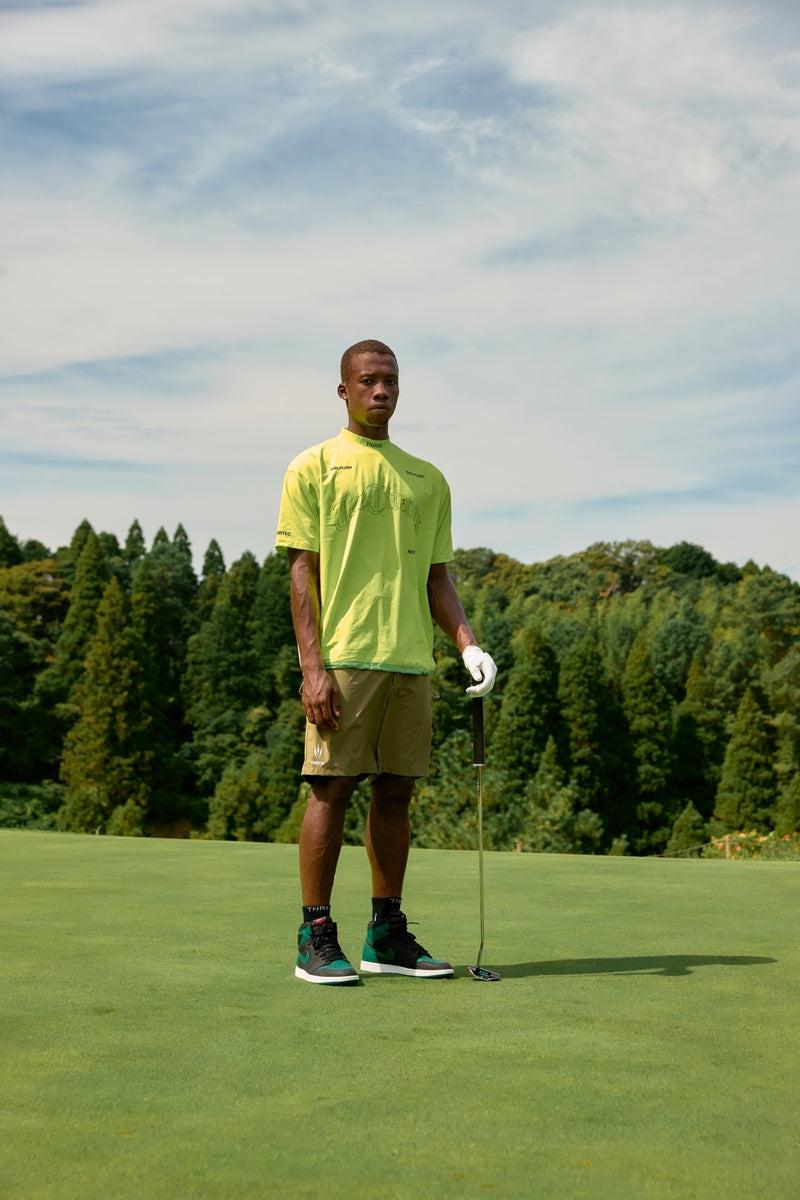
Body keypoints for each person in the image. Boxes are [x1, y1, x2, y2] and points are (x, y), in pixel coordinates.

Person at [275, 339, 496, 985]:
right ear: (343, 390)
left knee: (396, 794)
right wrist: (311, 667)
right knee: (331, 788)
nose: (381, 391)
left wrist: (467, 643)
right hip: (344, 658)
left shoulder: (428, 478)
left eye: (390, 381)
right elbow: (301, 572)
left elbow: (437, 577)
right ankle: (315, 934)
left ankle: (386, 934)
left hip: (410, 662)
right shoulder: (312, 466)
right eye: (368, 381)